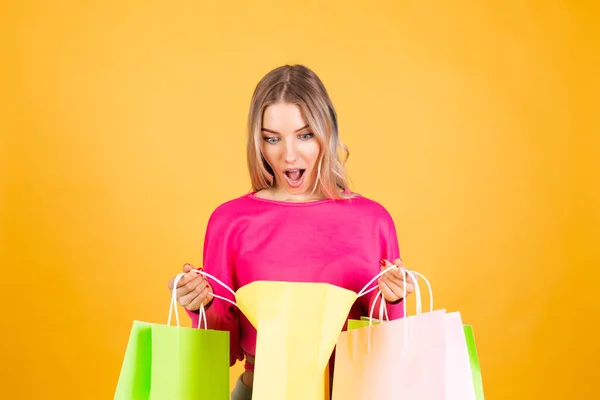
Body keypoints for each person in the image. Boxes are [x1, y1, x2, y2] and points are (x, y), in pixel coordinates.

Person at [167, 64, 415, 400]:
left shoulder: (372, 221)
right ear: (258, 141)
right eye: (272, 138)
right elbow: (220, 352)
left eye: (305, 135)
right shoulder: (230, 221)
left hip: (351, 391)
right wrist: (198, 304)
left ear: (326, 132)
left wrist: (394, 298)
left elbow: (385, 344)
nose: (289, 154)